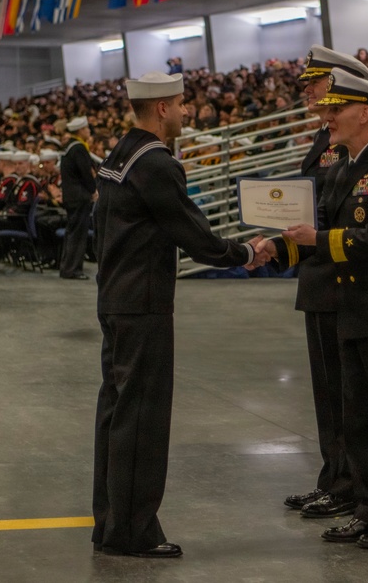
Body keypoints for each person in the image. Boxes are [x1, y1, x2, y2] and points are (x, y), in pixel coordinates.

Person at [91, 71, 269, 558]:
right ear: (162, 109)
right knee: (142, 418)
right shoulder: (156, 163)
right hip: (144, 302)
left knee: (115, 412)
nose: (187, 111)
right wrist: (245, 253)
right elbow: (193, 233)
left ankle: (108, 522)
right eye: (181, 103)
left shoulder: (118, 154)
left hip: (115, 298)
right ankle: (133, 532)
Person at [263, 68, 368, 549]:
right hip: (352, 310)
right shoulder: (342, 167)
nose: (328, 116)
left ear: (366, 112)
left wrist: (315, 239)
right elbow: (318, 238)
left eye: (337, 109)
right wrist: (279, 247)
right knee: (358, 420)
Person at [279, 46, 368, 521]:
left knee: (343, 391)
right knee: (327, 391)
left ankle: (349, 484)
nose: (310, 92)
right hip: (318, 276)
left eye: (318, 84)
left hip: (338, 278)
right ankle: (333, 477)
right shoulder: (325, 139)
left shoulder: (352, 147)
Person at [58, 116, 96, 280]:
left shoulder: (68, 147)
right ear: (80, 130)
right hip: (80, 196)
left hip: (71, 195)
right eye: (87, 128)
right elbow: (86, 173)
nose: (88, 131)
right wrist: (93, 190)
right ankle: (73, 269)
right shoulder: (79, 148)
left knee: (72, 232)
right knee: (78, 234)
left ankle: (67, 266)